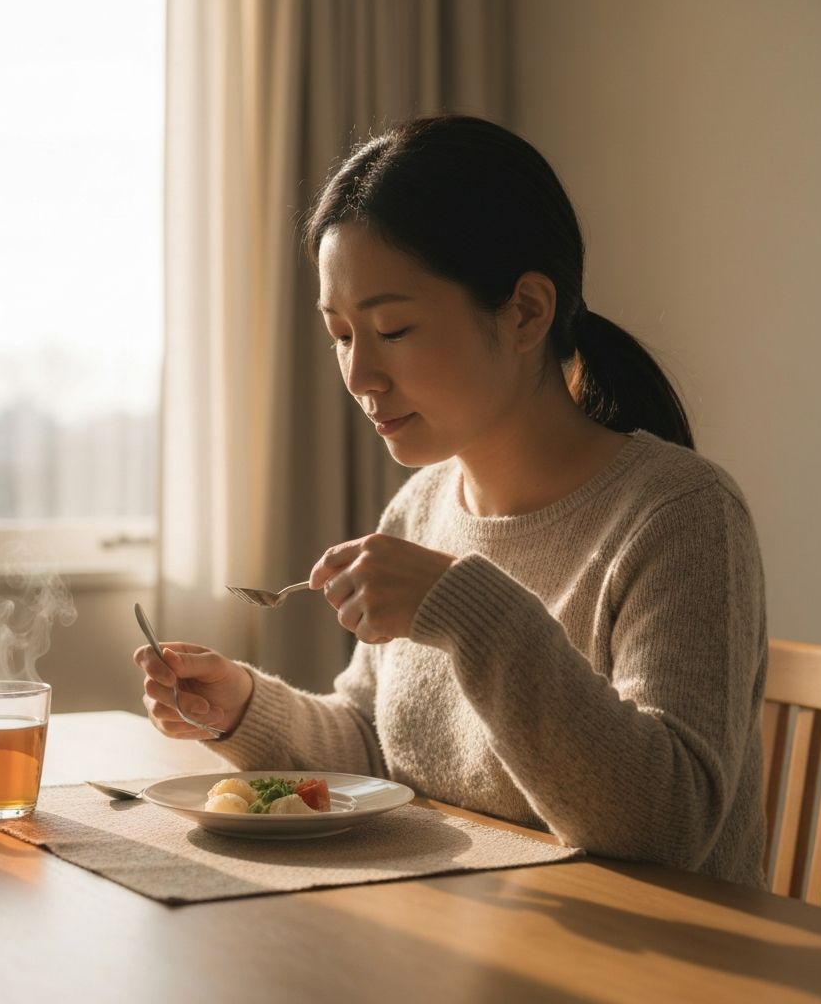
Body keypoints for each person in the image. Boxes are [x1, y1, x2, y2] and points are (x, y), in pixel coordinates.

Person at [135, 115, 768, 888]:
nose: (360, 376)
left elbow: (666, 827)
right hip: (466, 925)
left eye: (394, 328)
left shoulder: (681, 515)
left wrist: (467, 612)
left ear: (526, 311)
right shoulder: (422, 505)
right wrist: (243, 708)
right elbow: (374, 746)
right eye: (342, 334)